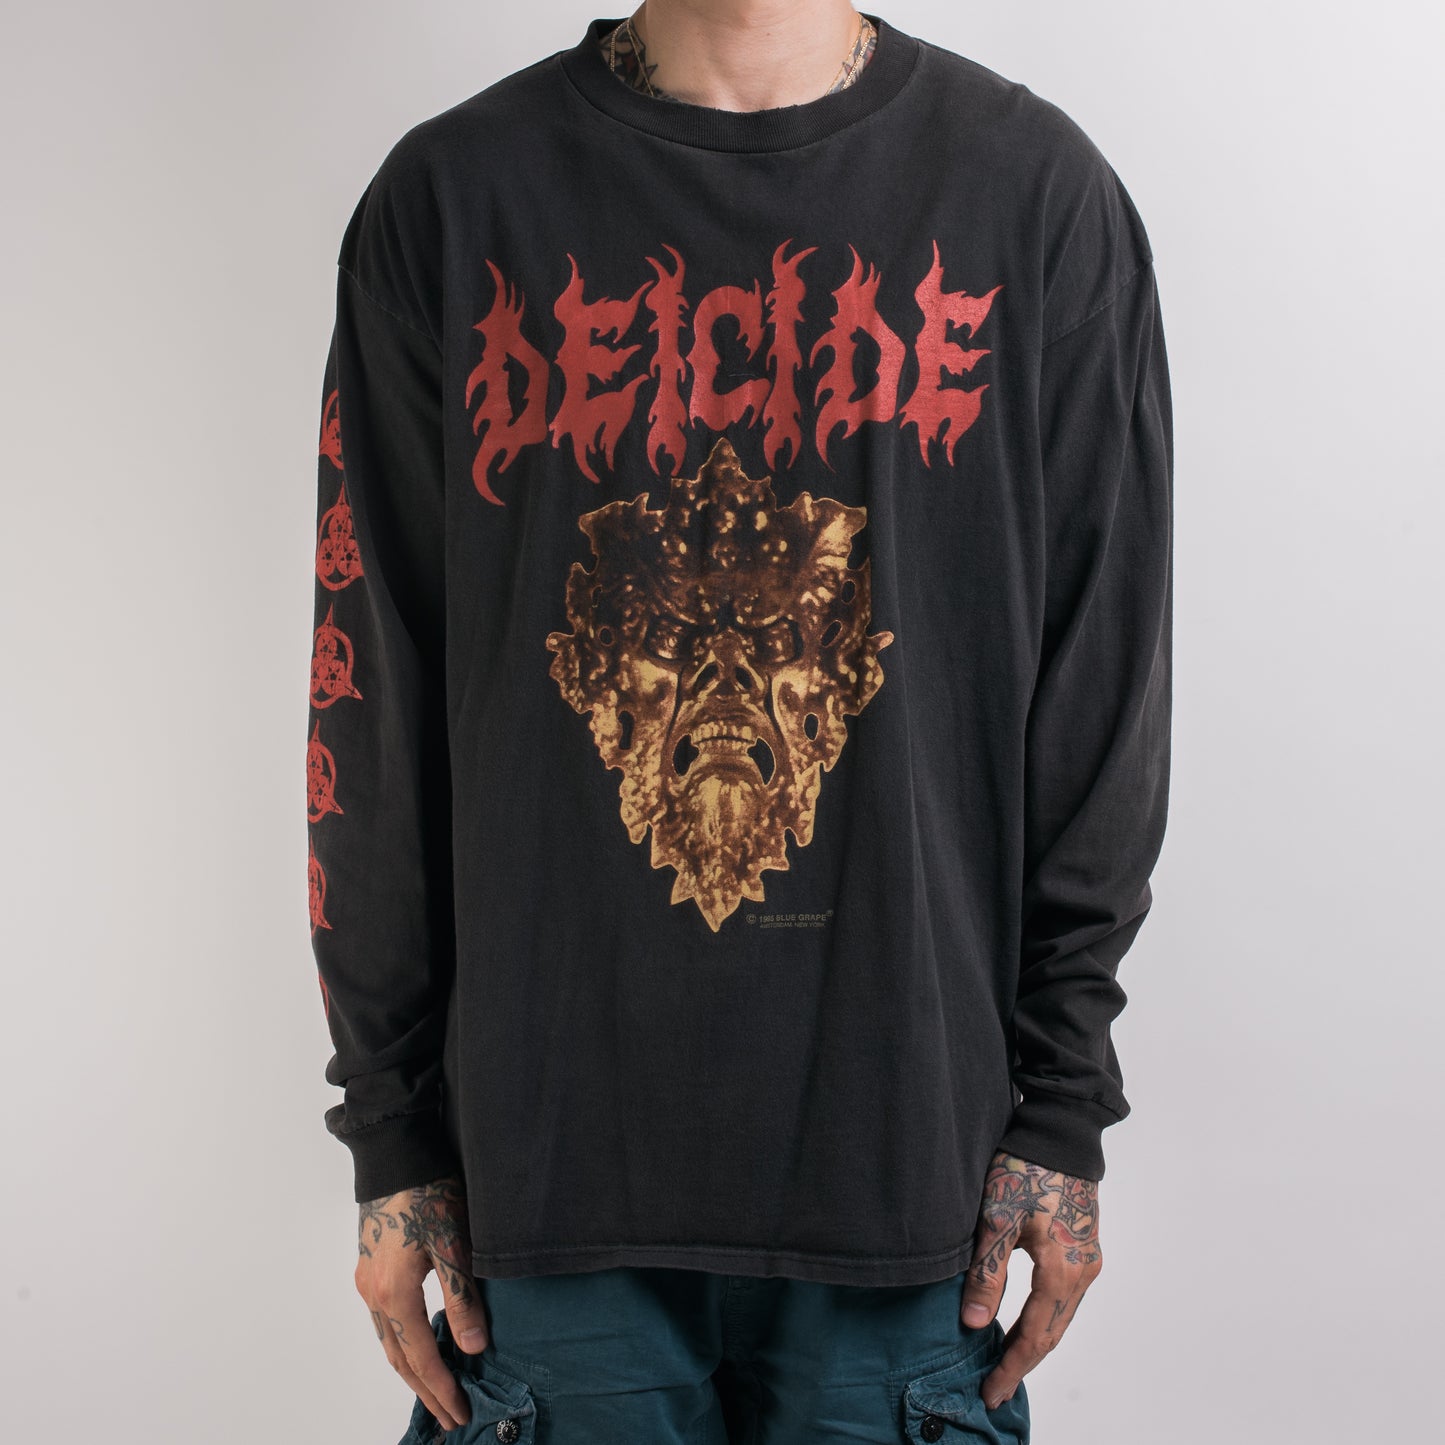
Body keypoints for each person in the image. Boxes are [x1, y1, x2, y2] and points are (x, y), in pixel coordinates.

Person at [304, 4, 1173, 1440]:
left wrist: (1061, 1103)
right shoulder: (452, 202)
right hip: (545, 1193)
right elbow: (373, 692)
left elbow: (1102, 690)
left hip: (915, 1187)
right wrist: (390, 1129)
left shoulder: (1034, 201)